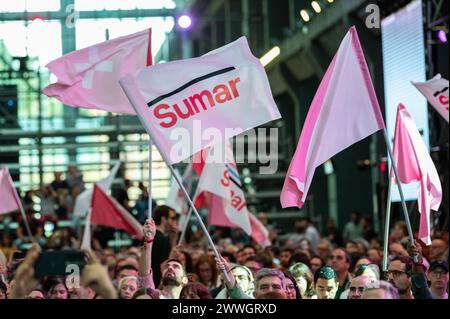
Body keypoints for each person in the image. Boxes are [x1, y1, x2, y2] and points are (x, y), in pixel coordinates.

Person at [151, 205, 179, 287]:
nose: (174, 222)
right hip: (158, 285)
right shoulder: (163, 240)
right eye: (172, 218)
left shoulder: (147, 237)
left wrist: (173, 240)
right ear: (163, 219)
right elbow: (165, 270)